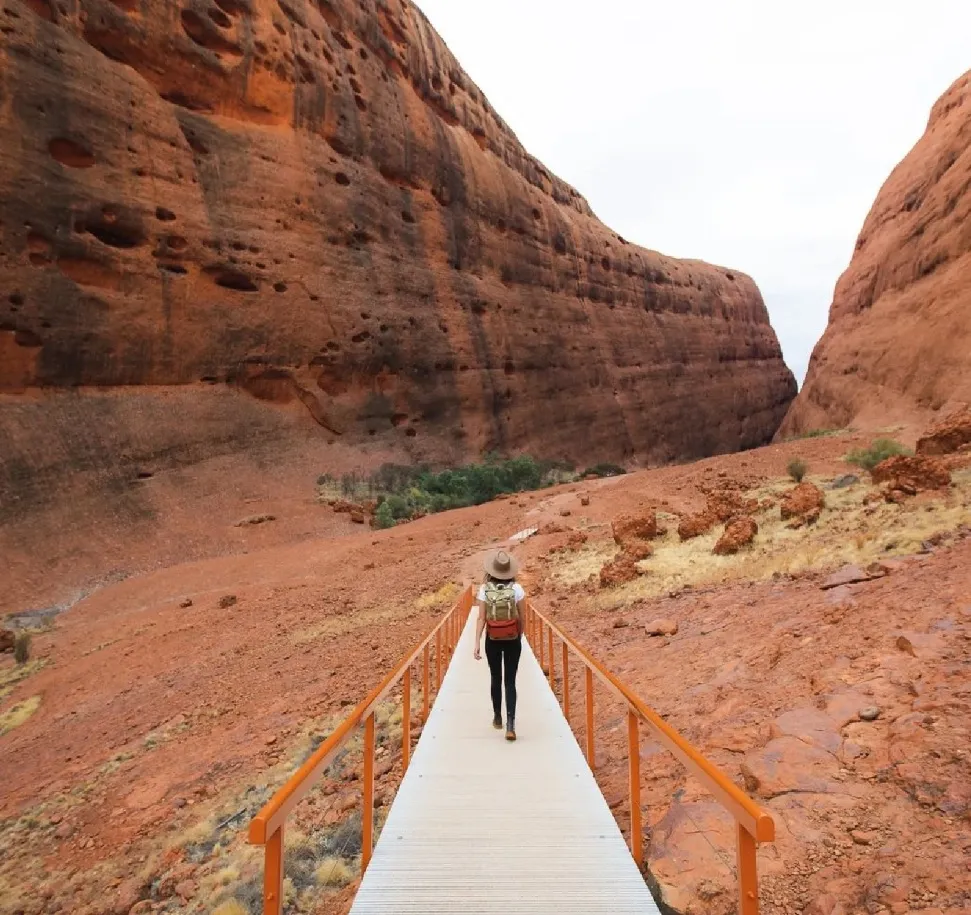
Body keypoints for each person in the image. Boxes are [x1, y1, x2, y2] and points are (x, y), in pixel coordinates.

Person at [473, 549, 525, 741]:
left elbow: (481, 618)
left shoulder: (484, 590)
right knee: (510, 681)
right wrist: (520, 636)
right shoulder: (517, 589)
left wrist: (477, 642)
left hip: (492, 639)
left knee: (496, 677)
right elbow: (522, 617)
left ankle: (497, 717)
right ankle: (511, 726)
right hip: (512, 638)